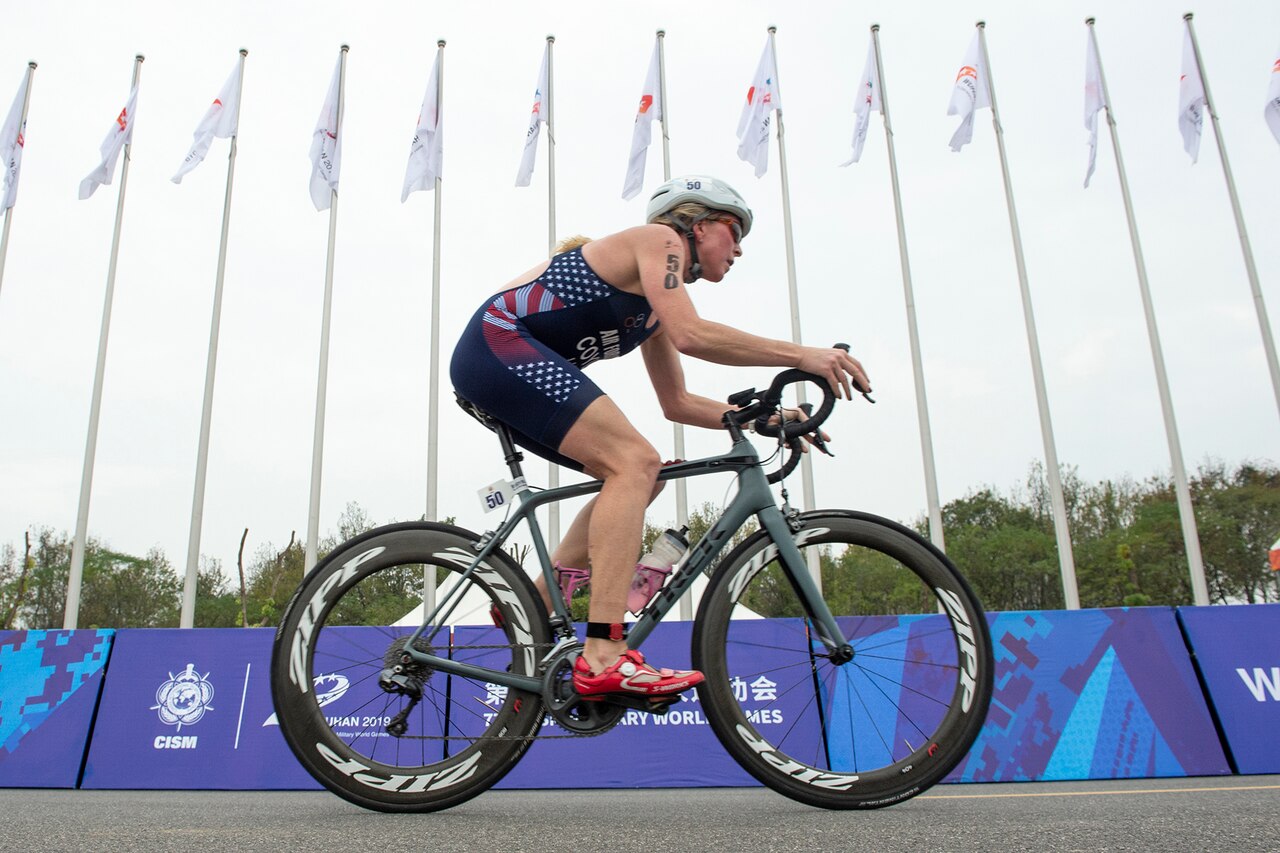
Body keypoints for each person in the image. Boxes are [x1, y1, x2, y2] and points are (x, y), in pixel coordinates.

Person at [450, 175, 870, 701]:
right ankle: (604, 654)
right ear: (697, 224)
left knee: (639, 477)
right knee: (635, 462)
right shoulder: (660, 242)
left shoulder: (650, 310)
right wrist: (802, 355)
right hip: (497, 343)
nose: (739, 248)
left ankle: (530, 602)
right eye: (735, 231)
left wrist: (766, 420)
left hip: (499, 361)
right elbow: (694, 336)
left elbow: (679, 403)